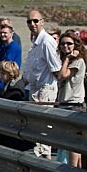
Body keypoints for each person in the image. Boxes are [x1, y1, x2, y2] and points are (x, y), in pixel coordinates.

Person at [24, 10, 61, 159]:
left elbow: (56, 68)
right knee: (36, 126)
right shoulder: (36, 42)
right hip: (35, 88)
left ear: (42, 22)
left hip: (46, 88)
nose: (32, 24)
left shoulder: (46, 42)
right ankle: (41, 157)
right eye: (29, 21)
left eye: (35, 21)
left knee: (43, 126)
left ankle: (43, 158)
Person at [57, 32, 85, 167]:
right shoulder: (64, 60)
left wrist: (67, 59)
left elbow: (63, 75)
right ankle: (72, 170)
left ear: (76, 45)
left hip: (74, 104)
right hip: (63, 103)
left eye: (69, 43)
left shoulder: (78, 62)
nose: (65, 46)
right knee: (67, 140)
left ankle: (73, 171)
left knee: (73, 141)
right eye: (63, 44)